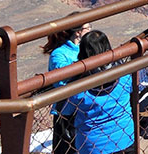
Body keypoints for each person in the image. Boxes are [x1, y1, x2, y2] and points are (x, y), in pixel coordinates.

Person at [68, 31, 135, 154]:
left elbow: (66, 111)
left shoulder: (77, 86)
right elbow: (131, 92)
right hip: (125, 138)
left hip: (92, 145)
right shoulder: (124, 74)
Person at [43, 20, 91, 154]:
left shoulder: (86, 47)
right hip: (67, 111)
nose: (90, 30)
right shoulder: (59, 54)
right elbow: (61, 76)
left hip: (85, 107)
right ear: (77, 32)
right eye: (87, 28)